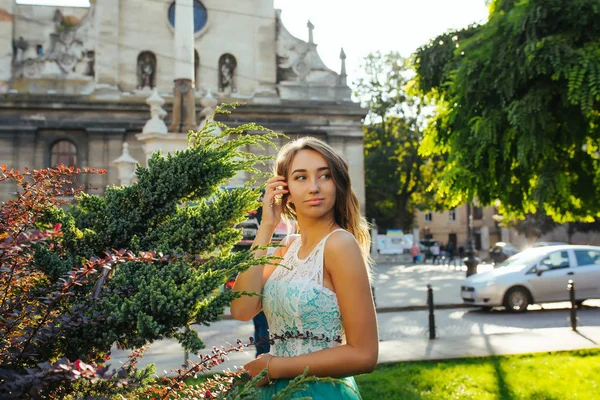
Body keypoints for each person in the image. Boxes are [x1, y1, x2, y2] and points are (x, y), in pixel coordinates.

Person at [231, 137, 378, 398]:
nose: (313, 187)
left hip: (321, 391)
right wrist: (266, 226)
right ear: (283, 190)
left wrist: (276, 367)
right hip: (276, 390)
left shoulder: (340, 244)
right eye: (300, 177)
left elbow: (365, 355)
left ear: (338, 184)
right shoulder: (287, 247)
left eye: (325, 176)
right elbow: (242, 309)